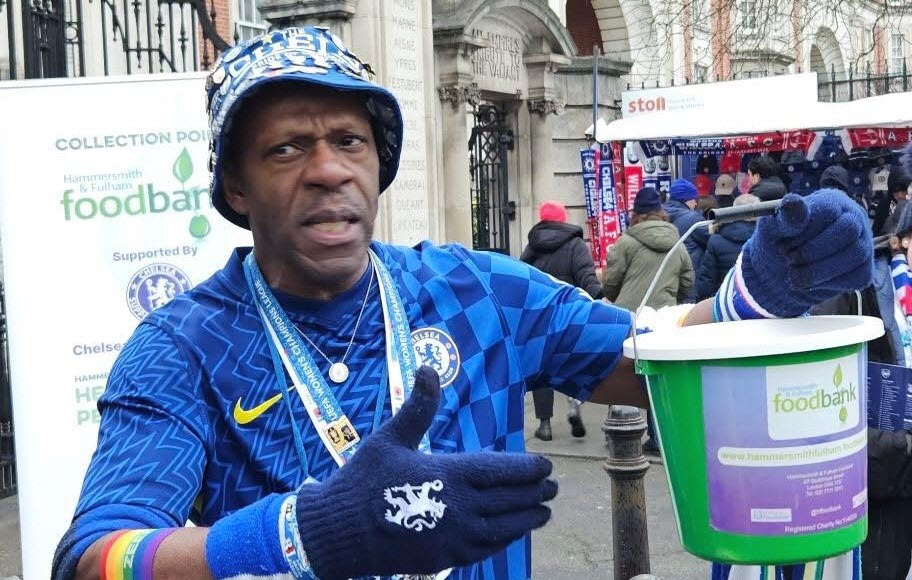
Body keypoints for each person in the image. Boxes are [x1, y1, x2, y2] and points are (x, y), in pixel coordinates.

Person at [51, 27, 875, 580]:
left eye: (349, 141)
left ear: (380, 166)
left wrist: (765, 288)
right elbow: (99, 555)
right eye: (286, 147)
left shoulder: (481, 292)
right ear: (235, 183)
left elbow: (659, 363)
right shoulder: (182, 346)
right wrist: (302, 533)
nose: (328, 168)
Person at [520, 200, 602, 441]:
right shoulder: (576, 245)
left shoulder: (532, 246)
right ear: (563, 219)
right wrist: (599, 298)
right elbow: (586, 276)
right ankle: (575, 405)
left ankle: (544, 424)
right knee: (574, 364)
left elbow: (524, 279)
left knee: (543, 370)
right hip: (571, 315)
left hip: (541, 316)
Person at [602, 187, 694, 311]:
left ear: (635, 215)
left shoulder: (625, 242)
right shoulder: (678, 245)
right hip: (664, 314)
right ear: (662, 213)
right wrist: (670, 298)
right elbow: (687, 282)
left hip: (629, 314)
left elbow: (611, 282)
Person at [694, 194, 759, 301]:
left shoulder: (716, 240)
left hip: (725, 300)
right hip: (759, 302)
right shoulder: (768, 237)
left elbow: (708, 279)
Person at [664, 178, 709, 278]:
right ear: (687, 200)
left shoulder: (659, 215)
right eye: (694, 200)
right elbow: (712, 240)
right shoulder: (693, 219)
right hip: (689, 276)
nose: (696, 204)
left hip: (666, 276)